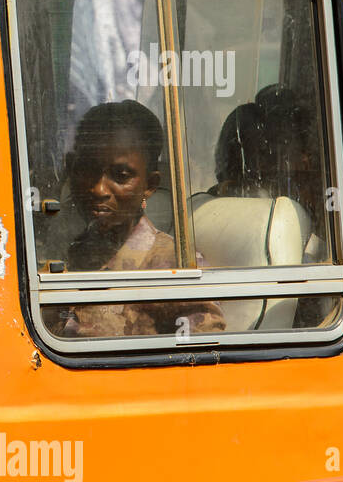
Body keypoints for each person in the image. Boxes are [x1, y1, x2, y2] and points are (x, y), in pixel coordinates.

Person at [52, 99, 225, 338]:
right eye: (87, 169)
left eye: (121, 176)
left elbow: (201, 358)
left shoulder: (174, 267)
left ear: (150, 185)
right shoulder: (66, 253)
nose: (99, 189)